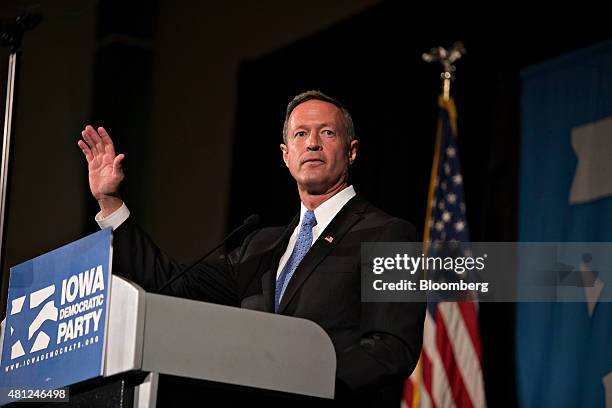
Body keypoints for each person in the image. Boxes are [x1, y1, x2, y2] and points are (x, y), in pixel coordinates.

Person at [78, 90, 425, 406]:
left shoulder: (390, 234)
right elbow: (171, 282)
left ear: (351, 151)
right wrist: (110, 202)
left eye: (327, 133)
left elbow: (391, 347)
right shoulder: (260, 245)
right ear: (286, 156)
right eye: (300, 134)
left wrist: (307, 383)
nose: (313, 144)